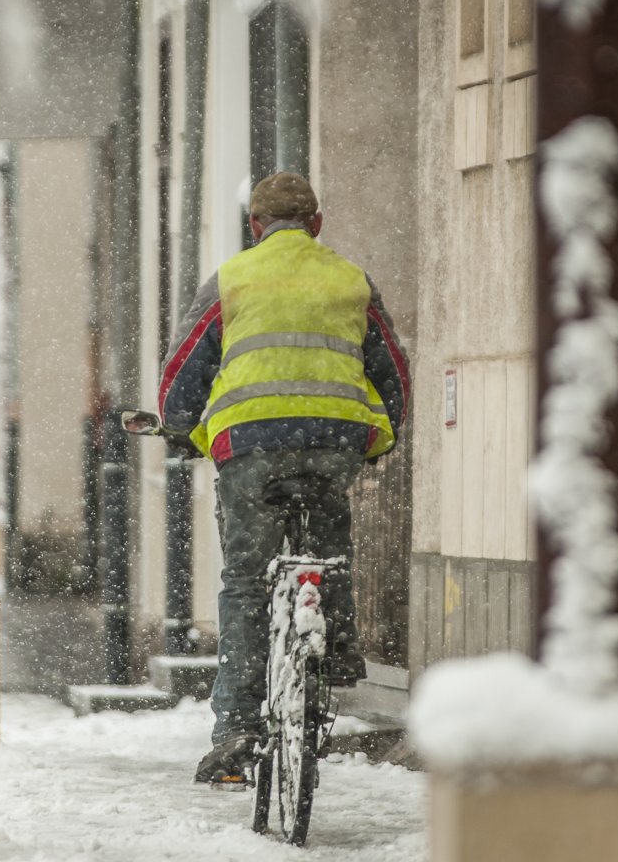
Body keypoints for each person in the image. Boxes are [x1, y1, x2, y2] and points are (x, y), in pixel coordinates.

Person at [157, 172, 410, 785]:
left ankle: (236, 732)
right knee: (329, 542)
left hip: (249, 444)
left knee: (246, 581)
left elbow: (185, 369)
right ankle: (339, 646)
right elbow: (393, 370)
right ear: (317, 223)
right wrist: (384, 435)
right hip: (334, 440)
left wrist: (177, 427)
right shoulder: (351, 280)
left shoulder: (233, 279)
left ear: (256, 226)